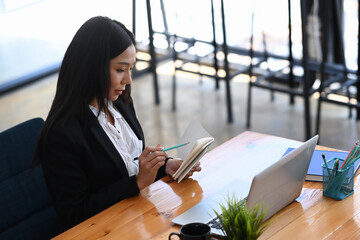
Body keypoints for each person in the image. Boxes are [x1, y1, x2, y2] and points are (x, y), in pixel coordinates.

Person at [33, 16, 201, 235]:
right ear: (92, 67)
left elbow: (129, 163)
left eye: (130, 68)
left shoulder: (118, 103)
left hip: (136, 219)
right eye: (121, 69)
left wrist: (165, 166)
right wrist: (137, 182)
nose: (128, 79)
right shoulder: (62, 134)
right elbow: (74, 214)